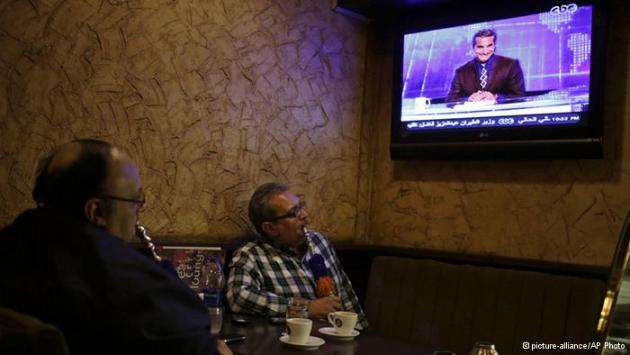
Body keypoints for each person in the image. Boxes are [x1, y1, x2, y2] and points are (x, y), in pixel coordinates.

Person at [0, 139, 232, 355]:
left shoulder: (12, 243)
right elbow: (197, 344)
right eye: (135, 201)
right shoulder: (128, 282)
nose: (138, 211)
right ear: (97, 212)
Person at [226, 182, 368, 329]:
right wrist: (306, 308)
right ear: (271, 228)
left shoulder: (319, 241)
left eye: (301, 206)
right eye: (294, 212)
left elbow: (346, 295)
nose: (304, 215)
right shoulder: (251, 255)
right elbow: (239, 297)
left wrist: (362, 333)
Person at [446, 29, 525, 106]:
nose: (485, 51)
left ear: (494, 46)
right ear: (473, 48)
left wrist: (496, 98)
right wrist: (468, 99)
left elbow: (520, 96)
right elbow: (450, 100)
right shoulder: (461, 72)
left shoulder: (511, 65)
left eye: (489, 46)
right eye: (480, 47)